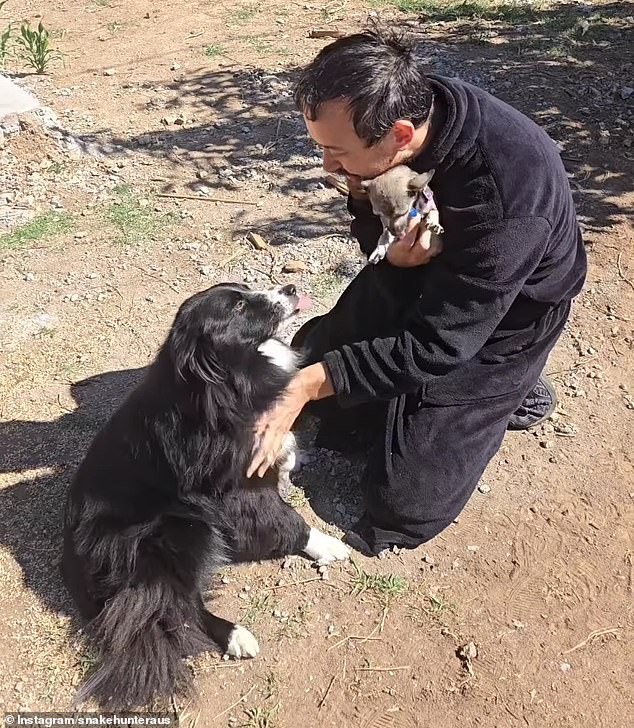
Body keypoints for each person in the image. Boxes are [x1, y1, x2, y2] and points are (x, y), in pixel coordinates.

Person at [247, 30, 587, 556]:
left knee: (401, 505)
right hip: (425, 275)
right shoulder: (410, 110)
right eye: (322, 149)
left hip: (506, 316)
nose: (326, 167)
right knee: (305, 364)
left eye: (336, 152)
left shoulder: (506, 197)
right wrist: (392, 258)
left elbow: (439, 343)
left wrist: (312, 386)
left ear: (401, 135)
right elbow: (371, 227)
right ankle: (422, 392)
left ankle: (515, 385)